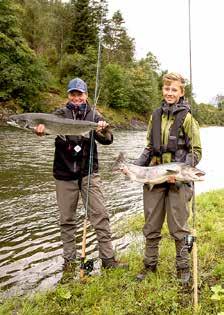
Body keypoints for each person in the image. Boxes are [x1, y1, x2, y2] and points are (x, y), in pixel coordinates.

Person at [36, 77, 125, 271]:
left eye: (80, 94)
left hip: (88, 173)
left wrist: (102, 130)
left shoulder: (94, 115)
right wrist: (40, 130)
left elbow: (108, 139)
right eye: (73, 94)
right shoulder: (58, 115)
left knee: (100, 215)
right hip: (63, 174)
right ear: (68, 95)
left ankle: (109, 260)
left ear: (85, 95)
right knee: (67, 220)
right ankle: (69, 262)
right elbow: (43, 127)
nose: (76, 97)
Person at [133, 72, 202, 284]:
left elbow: (196, 152)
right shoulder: (155, 116)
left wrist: (180, 173)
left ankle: (183, 269)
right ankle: (149, 266)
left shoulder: (189, 120)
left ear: (181, 93)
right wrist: (134, 167)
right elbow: (148, 147)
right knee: (151, 225)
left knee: (179, 227)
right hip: (154, 177)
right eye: (166, 89)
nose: (169, 93)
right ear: (162, 90)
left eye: (174, 89)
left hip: (177, 181)